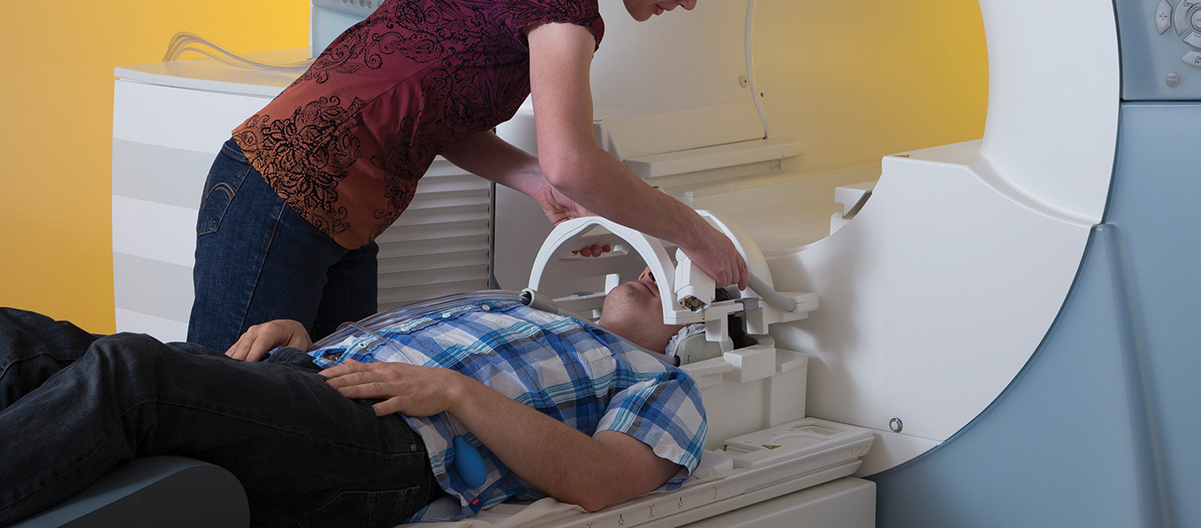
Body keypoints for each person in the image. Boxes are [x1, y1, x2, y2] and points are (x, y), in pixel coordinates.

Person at [189, 0, 754, 351]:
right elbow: (574, 162)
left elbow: (434, 111)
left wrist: (534, 179)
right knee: (229, 414)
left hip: (336, 219)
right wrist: (694, 233)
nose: (690, 3)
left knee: (326, 418)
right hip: (282, 194)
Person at [0, 270, 701, 528]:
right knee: (20, 340)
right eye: (650, 259)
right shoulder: (514, 301)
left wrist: (456, 392)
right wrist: (307, 339)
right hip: (307, 377)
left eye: (674, 279)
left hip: (386, 444)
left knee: (132, 377)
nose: (648, 272)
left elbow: (598, 479)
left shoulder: (659, 379)